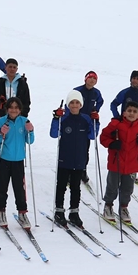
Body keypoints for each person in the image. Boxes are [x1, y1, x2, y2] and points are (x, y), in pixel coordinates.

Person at [49, 90, 94, 228]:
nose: (74, 105)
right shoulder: (64, 118)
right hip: (64, 158)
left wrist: (96, 121)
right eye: (72, 102)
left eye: (77, 102)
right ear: (68, 105)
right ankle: (59, 211)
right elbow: (53, 134)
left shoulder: (86, 119)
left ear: (81, 104)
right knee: (61, 186)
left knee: (76, 187)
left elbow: (92, 135)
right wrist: (56, 118)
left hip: (79, 159)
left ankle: (74, 213)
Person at [100, 101, 138, 223]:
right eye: (129, 111)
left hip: (132, 163)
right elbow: (103, 137)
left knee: (127, 188)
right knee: (112, 186)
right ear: (124, 113)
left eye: (134, 112)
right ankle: (108, 205)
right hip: (116, 162)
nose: (131, 113)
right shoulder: (116, 124)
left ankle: (123, 207)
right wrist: (112, 143)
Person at [0, 97, 35, 228]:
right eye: (11, 107)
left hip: (18, 160)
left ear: (20, 109)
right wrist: (1, 133)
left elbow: (30, 141)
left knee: (19, 188)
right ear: (7, 109)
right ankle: (1, 211)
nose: (13, 110)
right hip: (4, 159)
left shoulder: (24, 121)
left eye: (16, 108)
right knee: (2, 187)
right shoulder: (1, 121)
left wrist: (31, 131)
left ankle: (22, 212)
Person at [0, 58, 31, 177]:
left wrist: (22, 116)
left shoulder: (22, 83)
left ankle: (15, 167)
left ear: (17, 69)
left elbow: (26, 102)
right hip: (1, 117)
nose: (12, 69)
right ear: (5, 67)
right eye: (10, 66)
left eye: (14, 67)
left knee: (16, 140)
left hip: (17, 118)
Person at [72, 70, 104, 183]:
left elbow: (100, 101)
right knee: (72, 146)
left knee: (85, 148)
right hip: (75, 121)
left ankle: (83, 169)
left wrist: (95, 110)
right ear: (85, 79)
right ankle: (70, 169)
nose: (92, 80)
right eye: (90, 78)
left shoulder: (96, 93)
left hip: (87, 123)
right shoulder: (77, 90)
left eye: (94, 79)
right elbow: (69, 102)